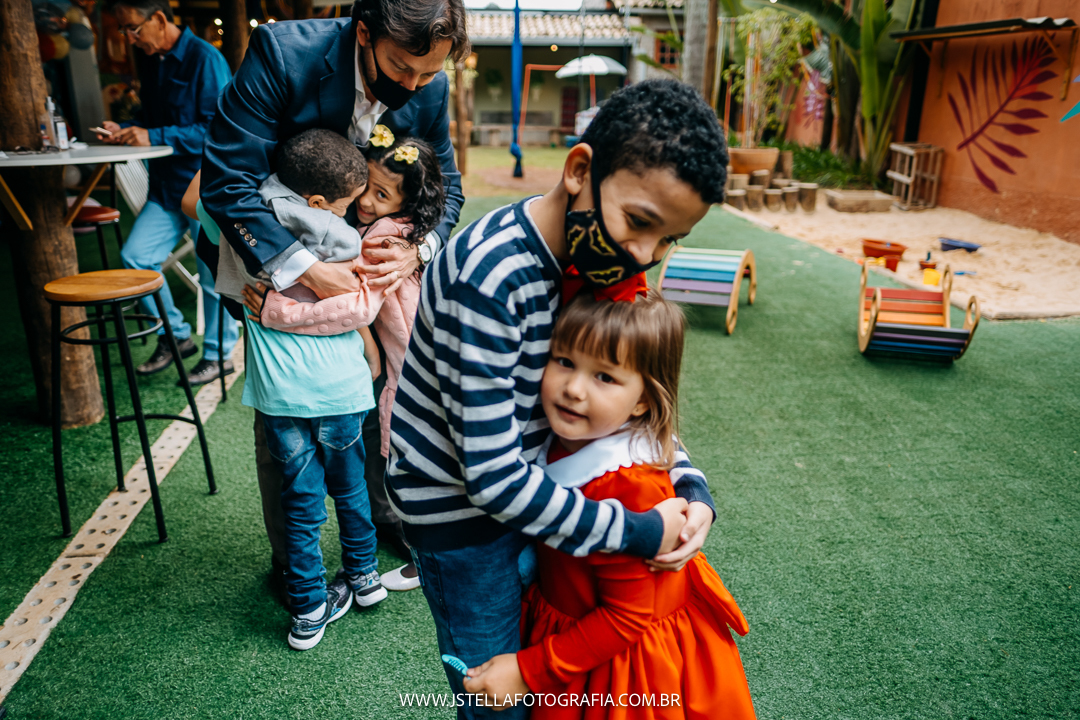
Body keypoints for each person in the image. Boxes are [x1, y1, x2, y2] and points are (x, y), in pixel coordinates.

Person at [386, 79, 728, 719]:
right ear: (579, 171)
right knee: (498, 698)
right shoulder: (490, 277)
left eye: (668, 240)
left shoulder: (599, 258)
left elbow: (634, 396)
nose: (645, 257)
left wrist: (691, 488)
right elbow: (491, 479)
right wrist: (638, 532)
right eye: (640, 223)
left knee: (547, 677)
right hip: (466, 526)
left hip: (543, 495)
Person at [199, 0, 470, 592]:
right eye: (402, 68)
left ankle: (381, 520)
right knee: (290, 405)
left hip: (372, 276)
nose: (414, 86)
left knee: (377, 386)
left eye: (428, 74)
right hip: (273, 262)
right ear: (364, 33)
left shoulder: (429, 85)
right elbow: (226, 180)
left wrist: (418, 250)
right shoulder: (282, 54)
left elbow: (447, 189)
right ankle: (296, 566)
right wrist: (307, 270)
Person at [464, 287, 757, 719]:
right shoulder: (568, 435)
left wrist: (530, 671)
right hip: (578, 628)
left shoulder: (627, 487)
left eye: (604, 376)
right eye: (564, 361)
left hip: (619, 666)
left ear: (643, 400)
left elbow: (626, 617)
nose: (573, 389)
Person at [229, 129, 393, 650]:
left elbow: (200, 199)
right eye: (344, 206)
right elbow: (359, 310)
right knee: (351, 491)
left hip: (282, 398)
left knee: (301, 506)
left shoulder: (249, 245)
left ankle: (307, 607)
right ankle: (364, 576)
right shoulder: (348, 256)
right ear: (319, 204)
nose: (350, 214)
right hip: (343, 390)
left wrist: (275, 311)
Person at [100, 0, 238, 385]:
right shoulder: (149, 59)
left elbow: (217, 128)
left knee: (212, 275)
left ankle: (218, 355)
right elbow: (152, 119)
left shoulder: (205, 59)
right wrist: (126, 128)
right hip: (164, 188)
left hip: (202, 187)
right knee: (135, 257)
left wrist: (153, 135)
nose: (129, 38)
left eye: (132, 28)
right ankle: (175, 334)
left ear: (159, 19)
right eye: (123, 30)